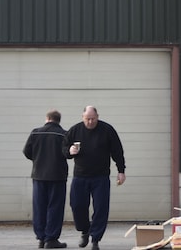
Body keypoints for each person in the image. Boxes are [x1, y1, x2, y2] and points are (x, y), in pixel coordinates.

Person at [64, 106, 126, 250]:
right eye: (87, 119)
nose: (90, 122)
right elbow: (64, 147)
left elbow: (117, 151)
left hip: (101, 177)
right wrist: (69, 151)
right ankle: (85, 230)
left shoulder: (107, 130)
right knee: (77, 206)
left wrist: (121, 171)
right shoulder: (75, 130)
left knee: (101, 208)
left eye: (93, 119)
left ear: (97, 116)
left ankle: (95, 239)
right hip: (80, 176)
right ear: (82, 117)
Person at [24, 109, 70, 248]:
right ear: (58, 120)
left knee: (39, 207)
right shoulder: (64, 134)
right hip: (57, 176)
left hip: (39, 175)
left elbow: (27, 152)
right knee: (55, 208)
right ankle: (51, 239)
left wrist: (38, 159)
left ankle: (41, 238)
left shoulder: (36, 132)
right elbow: (67, 154)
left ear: (47, 119)